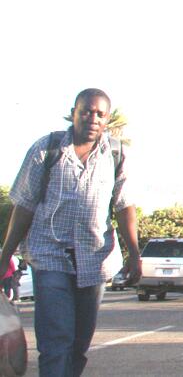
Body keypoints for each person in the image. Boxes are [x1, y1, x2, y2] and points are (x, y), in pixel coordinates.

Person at [0, 88, 141, 376]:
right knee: (55, 342)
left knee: (78, 344)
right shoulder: (46, 150)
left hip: (94, 259)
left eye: (100, 114)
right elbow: (24, 206)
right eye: (86, 111)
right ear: (74, 113)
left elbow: (124, 207)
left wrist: (135, 254)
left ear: (107, 120)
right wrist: (5, 255)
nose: (92, 118)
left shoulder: (117, 154)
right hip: (49, 255)